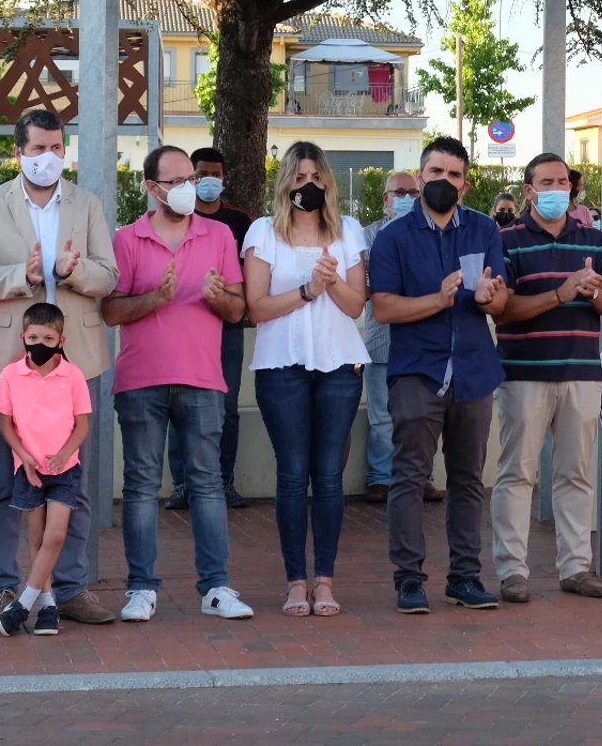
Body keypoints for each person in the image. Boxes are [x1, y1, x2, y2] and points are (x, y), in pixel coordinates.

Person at [0, 109, 119, 627]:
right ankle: (4, 587)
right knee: (8, 481)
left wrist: (76, 273)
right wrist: (21, 275)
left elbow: (109, 276)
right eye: (37, 150)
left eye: (56, 148)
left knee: (76, 481)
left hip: (77, 361)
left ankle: (70, 588)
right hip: (14, 365)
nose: (48, 159)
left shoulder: (87, 204)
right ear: (18, 153)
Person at [105, 145, 252, 622]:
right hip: (141, 380)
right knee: (143, 485)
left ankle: (216, 588)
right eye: (176, 181)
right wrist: (155, 298)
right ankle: (141, 588)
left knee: (208, 484)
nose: (188, 187)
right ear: (152, 188)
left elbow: (238, 309)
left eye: (191, 177)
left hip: (203, 378)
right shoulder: (126, 239)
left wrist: (217, 299)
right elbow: (110, 310)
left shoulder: (220, 235)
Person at [369, 136, 511, 614]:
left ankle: (465, 578)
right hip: (417, 373)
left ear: (465, 185)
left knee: (469, 478)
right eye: (436, 172)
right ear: (420, 176)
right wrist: (439, 298)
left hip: (474, 369)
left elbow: (501, 299)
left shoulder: (485, 229)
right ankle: (409, 579)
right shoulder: (393, 236)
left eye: (454, 175)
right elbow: (384, 308)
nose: (444, 182)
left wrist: (492, 297)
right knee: (409, 476)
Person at [244, 142, 370, 617]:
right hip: (281, 369)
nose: (309, 187)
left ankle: (325, 581)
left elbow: (357, 305)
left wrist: (331, 283)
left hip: (339, 366)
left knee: (330, 477)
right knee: (294, 475)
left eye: (317, 179)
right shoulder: (263, 233)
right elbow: (257, 308)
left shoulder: (348, 232)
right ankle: (295, 581)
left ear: (328, 184)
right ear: (285, 185)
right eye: (299, 179)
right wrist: (307, 290)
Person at [494, 153, 602, 602]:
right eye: (546, 182)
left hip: (582, 373)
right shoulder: (506, 238)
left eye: (563, 182)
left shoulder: (594, 238)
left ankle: (576, 568)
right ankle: (513, 572)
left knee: (576, 474)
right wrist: (560, 293)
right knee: (517, 475)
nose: (557, 190)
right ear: (529, 190)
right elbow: (504, 308)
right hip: (523, 373)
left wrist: (592, 292)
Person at [0, 303, 93, 636]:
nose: (40, 343)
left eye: (48, 338)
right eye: (33, 336)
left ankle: (23, 604)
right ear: (22, 337)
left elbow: (82, 425)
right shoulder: (10, 375)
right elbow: (6, 425)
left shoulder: (73, 375)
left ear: (61, 340)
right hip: (29, 469)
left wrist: (64, 455)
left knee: (56, 535)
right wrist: (24, 456)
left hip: (65, 469)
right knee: (36, 538)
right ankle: (48, 608)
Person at [173, 147, 252, 511]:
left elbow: (248, 277)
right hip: (184, 328)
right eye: (201, 173)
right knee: (178, 404)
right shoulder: (176, 216)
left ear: (224, 179)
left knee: (227, 408)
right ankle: (181, 485)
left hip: (227, 329)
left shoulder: (239, 221)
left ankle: (225, 483)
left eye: (215, 175)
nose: (209, 181)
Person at [361, 171, 429, 505]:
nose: (406, 198)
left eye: (413, 192)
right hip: (381, 343)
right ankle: (381, 478)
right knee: (382, 418)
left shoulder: (432, 234)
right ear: (385, 198)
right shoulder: (366, 237)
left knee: (420, 416)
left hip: (422, 343)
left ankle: (422, 478)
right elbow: (367, 290)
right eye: (399, 192)